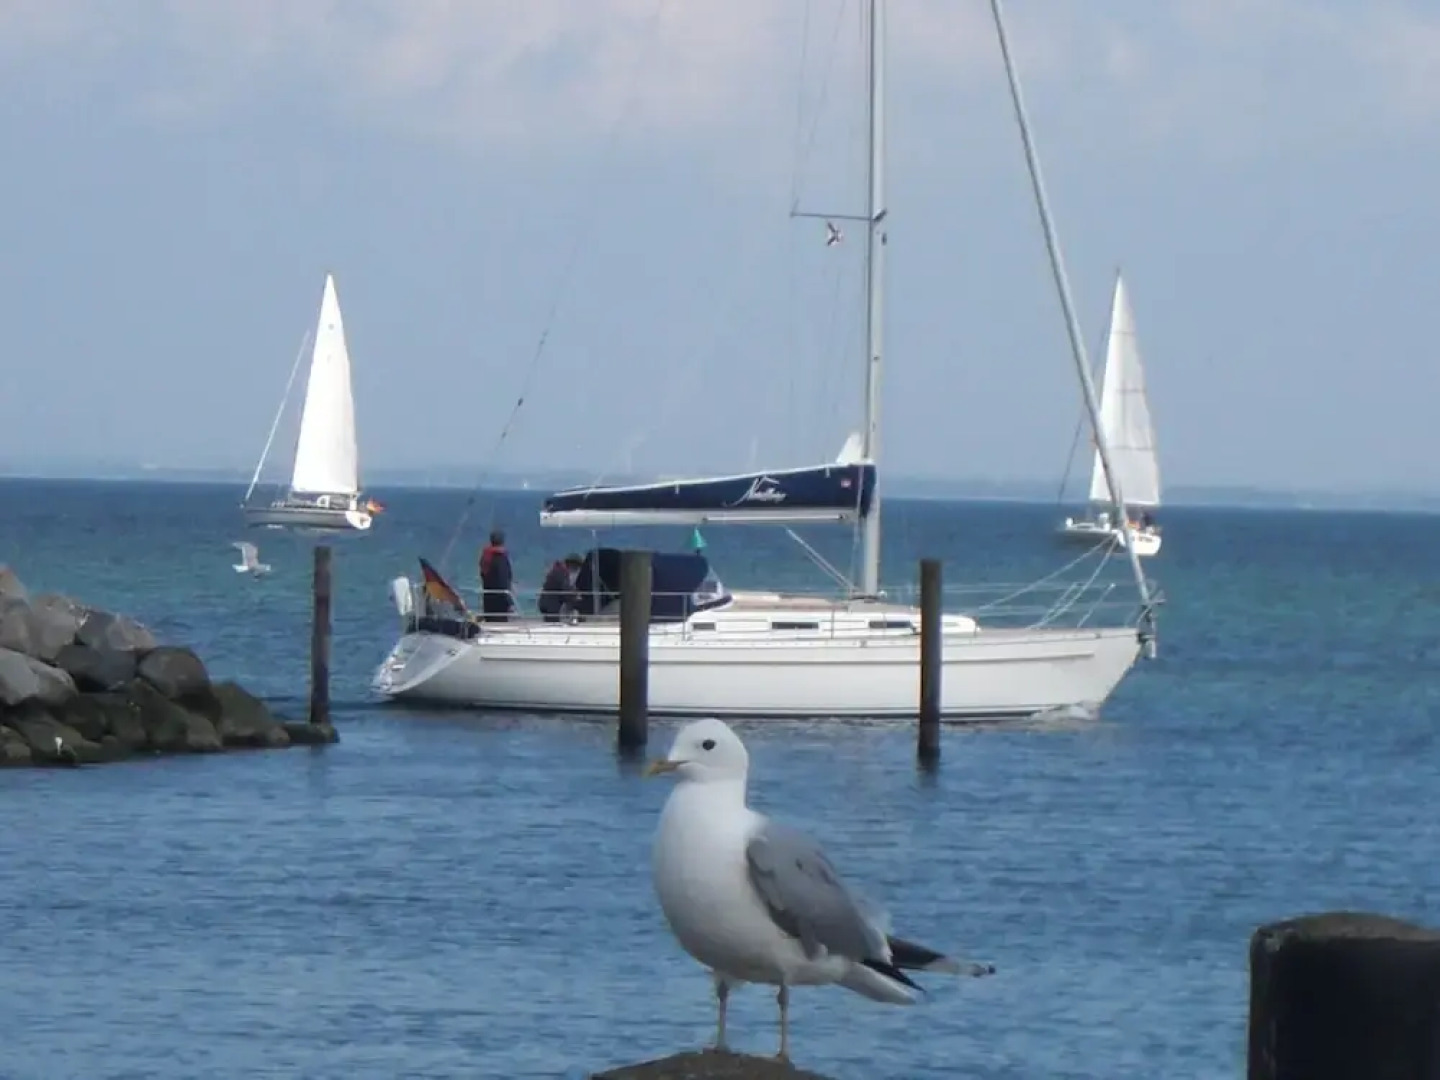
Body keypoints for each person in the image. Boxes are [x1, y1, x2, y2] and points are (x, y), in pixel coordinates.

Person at [479, 529, 515, 622]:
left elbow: (483, 575)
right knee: (500, 626)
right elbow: (503, 581)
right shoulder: (500, 558)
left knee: (491, 624)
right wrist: (510, 602)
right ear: (502, 541)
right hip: (500, 601)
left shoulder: (486, 557)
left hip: (488, 600)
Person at [538, 553, 584, 623]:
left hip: (547, 602)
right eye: (577, 567)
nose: (576, 570)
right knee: (553, 624)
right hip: (551, 604)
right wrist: (575, 597)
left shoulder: (558, 570)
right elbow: (565, 590)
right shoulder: (561, 572)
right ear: (572, 565)